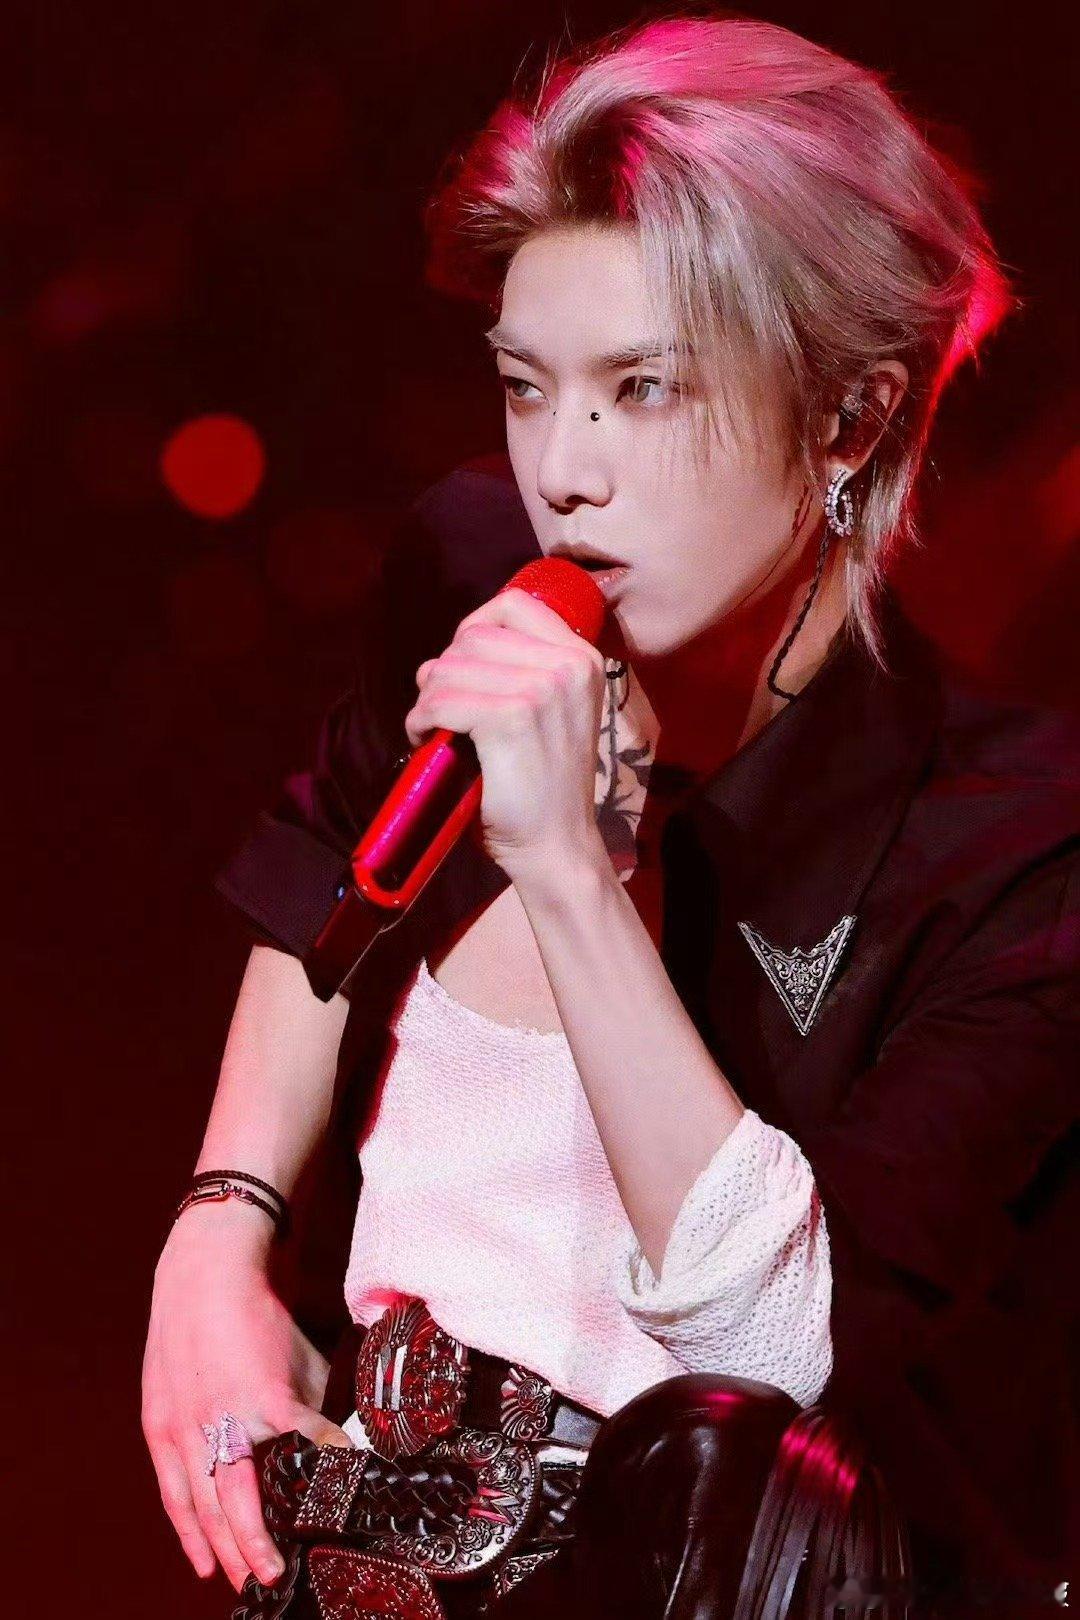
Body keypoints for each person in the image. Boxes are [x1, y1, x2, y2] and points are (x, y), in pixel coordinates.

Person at [142, 14, 1078, 1618]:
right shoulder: (474, 569)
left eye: (642, 389)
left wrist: (574, 879)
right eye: (527, 385)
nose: (562, 470)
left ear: (850, 421)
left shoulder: (1011, 856)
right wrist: (221, 1230)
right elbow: (324, 870)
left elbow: (790, 1350)